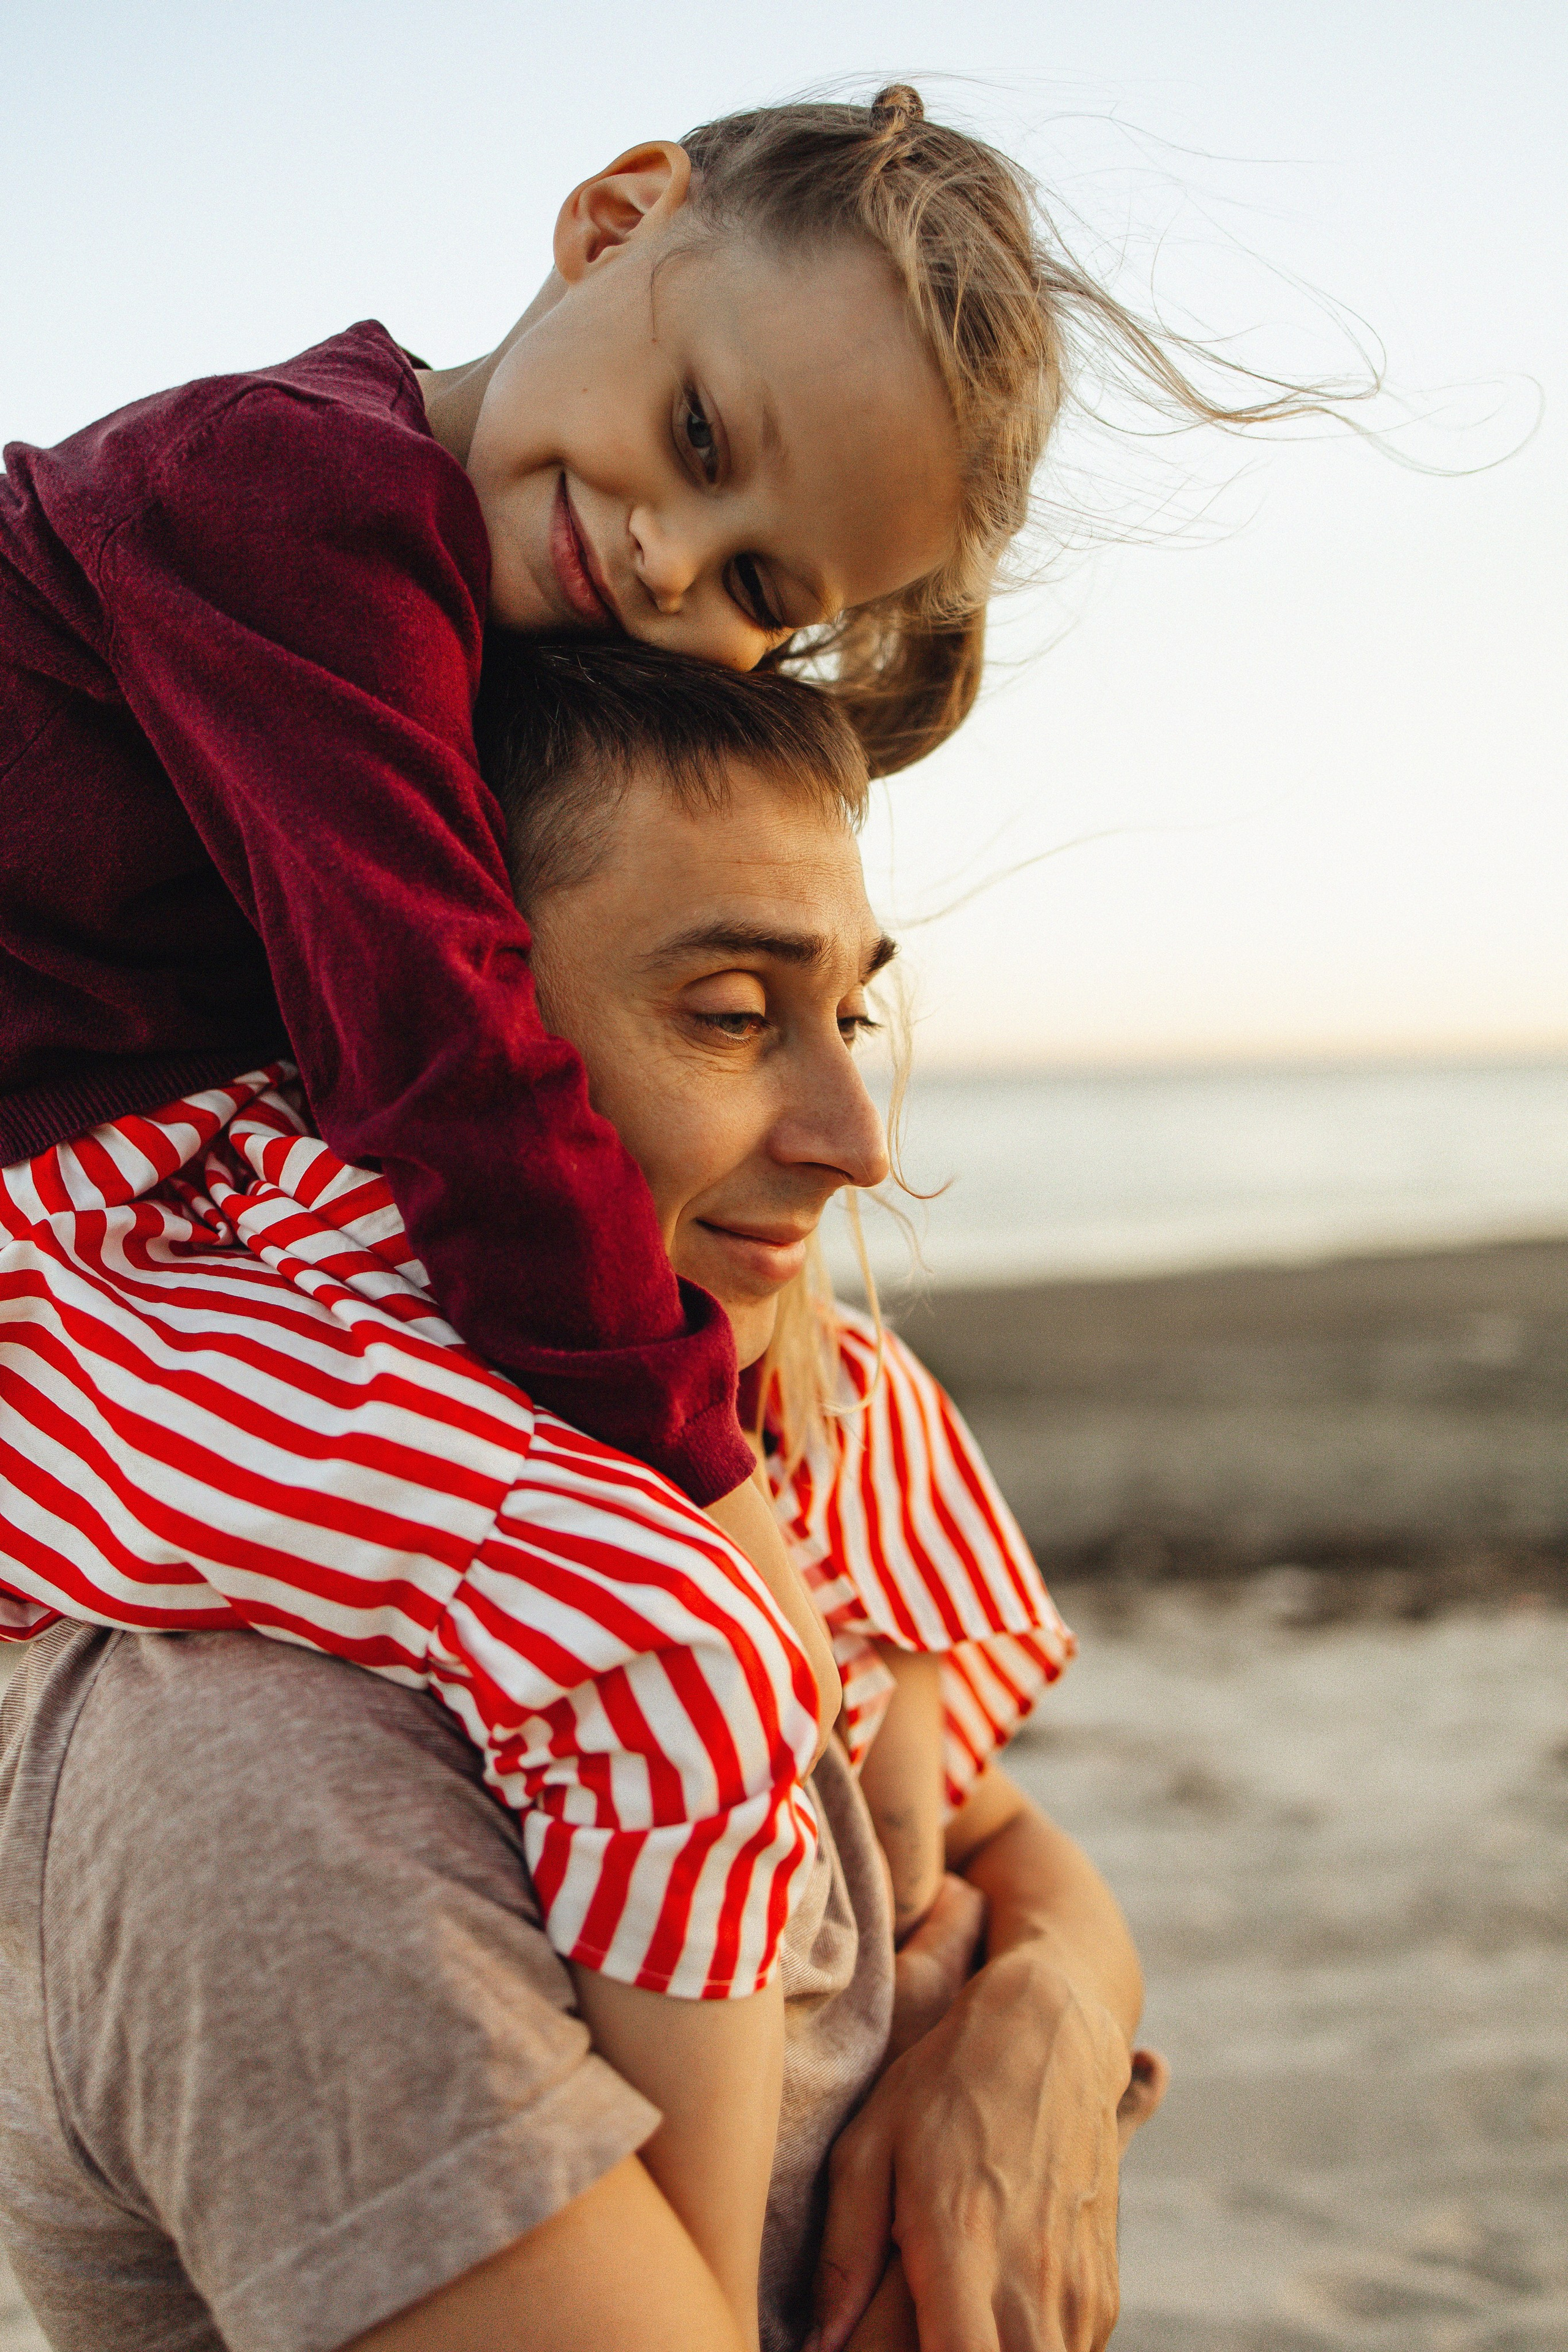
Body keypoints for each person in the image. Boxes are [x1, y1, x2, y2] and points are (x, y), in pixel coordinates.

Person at [0, 640, 1164, 2350]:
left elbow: (980, 1836)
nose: (859, 1136)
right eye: (730, 1014)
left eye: (846, 1013)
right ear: (422, 1039)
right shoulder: (258, 1781)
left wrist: (1049, 2019)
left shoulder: (757, 1453)